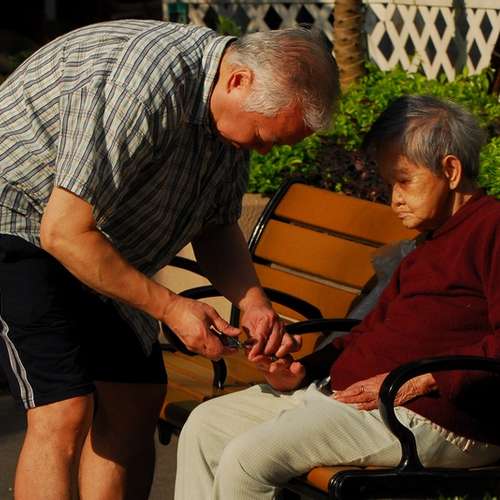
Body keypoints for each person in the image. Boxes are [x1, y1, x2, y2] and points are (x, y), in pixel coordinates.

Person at [0, 20, 340, 500]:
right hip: (18, 220)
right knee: (64, 409)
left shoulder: (230, 111)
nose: (263, 150)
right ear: (238, 80)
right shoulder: (142, 86)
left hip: (95, 240)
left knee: (135, 398)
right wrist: (171, 307)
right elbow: (64, 232)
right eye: (264, 135)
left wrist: (255, 304)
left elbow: (216, 225)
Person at [175, 95, 500, 500]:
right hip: (356, 399)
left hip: (434, 417)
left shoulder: (491, 228)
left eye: (404, 181)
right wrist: (302, 370)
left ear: (450, 170)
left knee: (248, 458)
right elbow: (368, 332)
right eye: (389, 184)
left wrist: (422, 380)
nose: (394, 199)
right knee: (206, 425)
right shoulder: (429, 244)